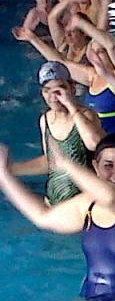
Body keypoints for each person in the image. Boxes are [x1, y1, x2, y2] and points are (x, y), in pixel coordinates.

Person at [0, 134, 115, 301]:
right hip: (93, 298)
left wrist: (67, 164)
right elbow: (42, 217)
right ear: (95, 167)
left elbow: (111, 199)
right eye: (108, 165)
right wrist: (4, 176)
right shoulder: (86, 205)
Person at [8, 61, 105, 205]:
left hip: (84, 205)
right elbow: (51, 161)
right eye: (47, 90)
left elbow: (96, 144)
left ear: (72, 89)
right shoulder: (45, 120)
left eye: (60, 89)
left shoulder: (86, 116)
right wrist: (11, 169)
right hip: (55, 205)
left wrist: (71, 106)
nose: (54, 96)